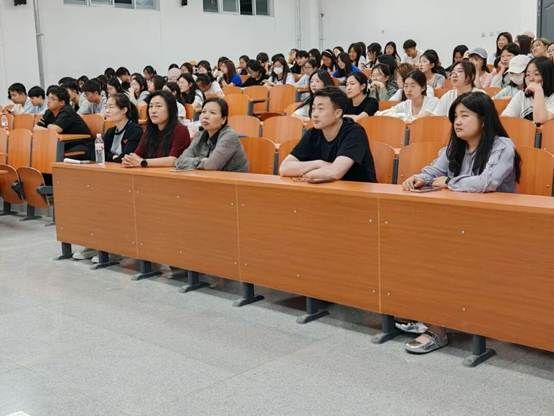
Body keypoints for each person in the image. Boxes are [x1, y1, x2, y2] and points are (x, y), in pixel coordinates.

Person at [400, 92, 520, 353]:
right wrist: (420, 178)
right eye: (455, 116)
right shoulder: (456, 146)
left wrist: (449, 182)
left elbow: (487, 182)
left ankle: (437, 327)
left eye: (465, 115)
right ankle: (426, 313)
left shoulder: (502, 146)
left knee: (443, 257)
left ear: (484, 120)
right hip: (460, 222)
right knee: (416, 244)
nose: (457, 121)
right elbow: (434, 170)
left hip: (496, 226)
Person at [279, 86, 377, 183]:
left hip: (357, 190)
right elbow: (284, 168)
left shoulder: (354, 133)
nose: (314, 114)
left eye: (320, 109)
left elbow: (334, 173)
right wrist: (318, 163)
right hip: (326, 189)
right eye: (313, 108)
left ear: (337, 113)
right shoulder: (312, 133)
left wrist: (304, 172)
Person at [175, 98, 248, 172]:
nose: (206, 116)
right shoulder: (199, 135)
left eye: (212, 113)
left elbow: (211, 165)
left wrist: (196, 162)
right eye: (203, 112)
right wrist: (202, 161)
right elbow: (179, 161)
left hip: (232, 178)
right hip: (208, 176)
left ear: (223, 119)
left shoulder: (229, 136)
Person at [122, 90, 191, 168]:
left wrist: (143, 162)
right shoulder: (150, 130)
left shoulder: (181, 130)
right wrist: (129, 159)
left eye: (158, 106)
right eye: (151, 106)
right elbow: (137, 154)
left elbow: (173, 160)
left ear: (170, 109)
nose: (153, 111)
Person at [501, 56, 554, 123]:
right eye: (528, 74)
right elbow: (505, 119)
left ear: (548, 75)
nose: (531, 79)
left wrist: (538, 91)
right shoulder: (521, 95)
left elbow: (539, 120)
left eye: (536, 74)